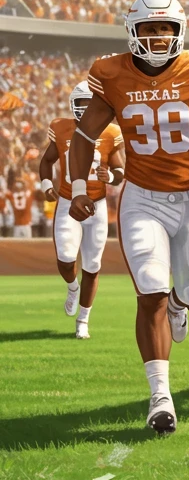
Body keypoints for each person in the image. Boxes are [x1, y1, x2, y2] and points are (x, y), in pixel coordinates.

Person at [68, 0, 189, 434]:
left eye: (166, 29)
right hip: (142, 198)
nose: (158, 37)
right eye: (149, 29)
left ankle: (180, 304)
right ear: (133, 32)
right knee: (149, 289)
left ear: (180, 32)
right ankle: (160, 396)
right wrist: (77, 186)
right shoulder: (110, 73)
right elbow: (83, 134)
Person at [38, 80, 124, 338]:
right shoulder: (61, 128)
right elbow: (46, 161)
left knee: (93, 265)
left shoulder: (110, 132)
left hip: (96, 206)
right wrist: (46, 185)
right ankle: (72, 287)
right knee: (65, 259)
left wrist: (109, 176)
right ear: (72, 105)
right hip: (67, 202)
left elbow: (120, 171)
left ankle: (83, 321)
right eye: (81, 105)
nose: (86, 110)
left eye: (91, 105)